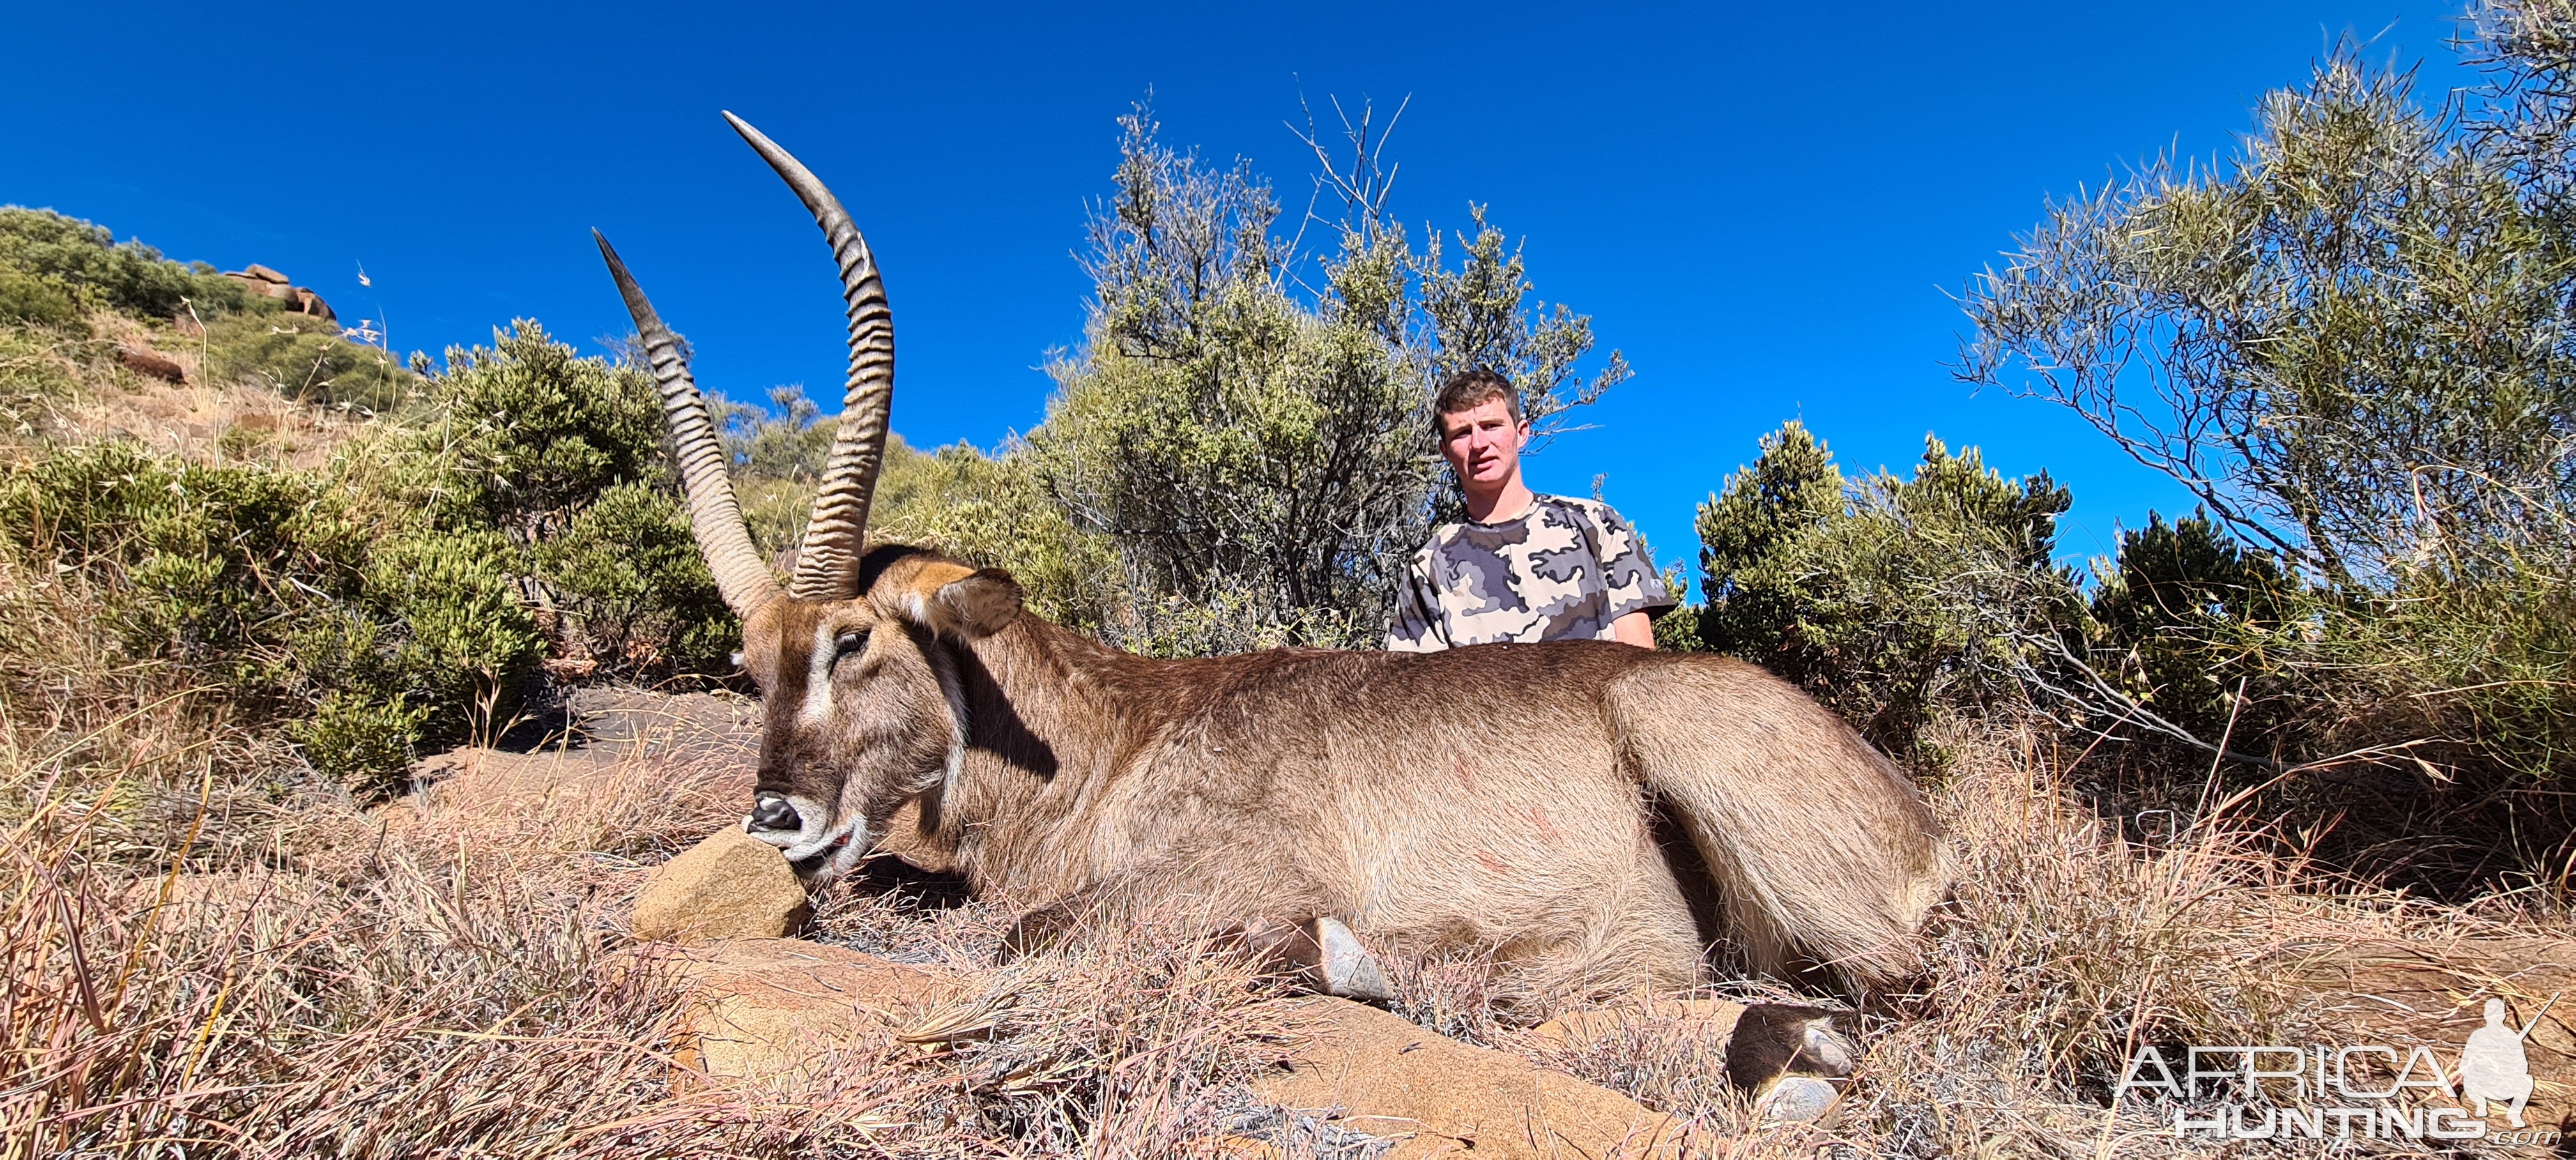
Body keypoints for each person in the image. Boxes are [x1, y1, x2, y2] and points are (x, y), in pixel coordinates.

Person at [1386, 369, 1674, 652]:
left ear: (1521, 433)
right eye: (1462, 433)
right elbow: (1419, 687)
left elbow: (1638, 663)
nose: (1478, 444)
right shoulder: (1427, 567)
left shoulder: (1597, 525)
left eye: (1491, 426)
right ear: (1445, 450)